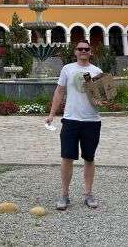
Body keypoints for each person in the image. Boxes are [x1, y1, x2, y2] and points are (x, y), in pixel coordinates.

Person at [45, 40, 104, 210]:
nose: (83, 51)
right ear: (75, 52)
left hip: (91, 120)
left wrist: (102, 100)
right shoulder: (67, 69)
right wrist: (51, 114)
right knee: (67, 158)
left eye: (86, 49)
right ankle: (64, 194)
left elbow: (102, 97)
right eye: (80, 49)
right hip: (70, 120)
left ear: (90, 52)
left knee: (89, 158)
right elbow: (59, 91)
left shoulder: (97, 71)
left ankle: (88, 194)